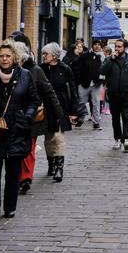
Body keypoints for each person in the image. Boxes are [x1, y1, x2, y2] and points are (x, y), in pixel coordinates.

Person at [0, 40, 40, 220]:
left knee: (13, 172)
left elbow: (34, 101)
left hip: (17, 130)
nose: (4, 59)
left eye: (8, 56)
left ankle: (10, 207)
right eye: (1, 56)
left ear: (14, 57)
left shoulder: (25, 75)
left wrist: (27, 117)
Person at [10, 34, 62, 195]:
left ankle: (25, 178)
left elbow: (49, 91)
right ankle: (16, 176)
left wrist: (58, 112)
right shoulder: (5, 70)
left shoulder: (35, 70)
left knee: (29, 147)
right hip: (11, 116)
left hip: (30, 115)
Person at [40, 42, 82, 182]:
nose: (44, 56)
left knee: (58, 137)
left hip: (61, 108)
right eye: (43, 54)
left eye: (46, 54)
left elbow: (73, 91)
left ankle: (59, 168)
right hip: (45, 108)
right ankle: (51, 164)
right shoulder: (41, 69)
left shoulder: (65, 69)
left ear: (55, 55)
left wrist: (74, 110)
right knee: (48, 138)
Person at [99, 39, 128, 152]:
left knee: (126, 116)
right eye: (116, 46)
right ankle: (118, 139)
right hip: (113, 93)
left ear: (125, 48)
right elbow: (102, 71)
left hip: (127, 93)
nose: (117, 49)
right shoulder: (109, 59)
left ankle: (127, 139)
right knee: (115, 118)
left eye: (119, 47)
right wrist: (110, 60)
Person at [77, 40, 104, 130]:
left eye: (98, 45)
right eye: (95, 44)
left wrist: (102, 81)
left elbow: (105, 70)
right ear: (92, 46)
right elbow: (79, 67)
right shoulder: (85, 55)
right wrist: (79, 80)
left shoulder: (102, 57)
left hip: (96, 83)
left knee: (96, 103)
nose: (97, 46)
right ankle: (80, 119)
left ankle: (96, 122)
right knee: (81, 102)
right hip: (84, 82)